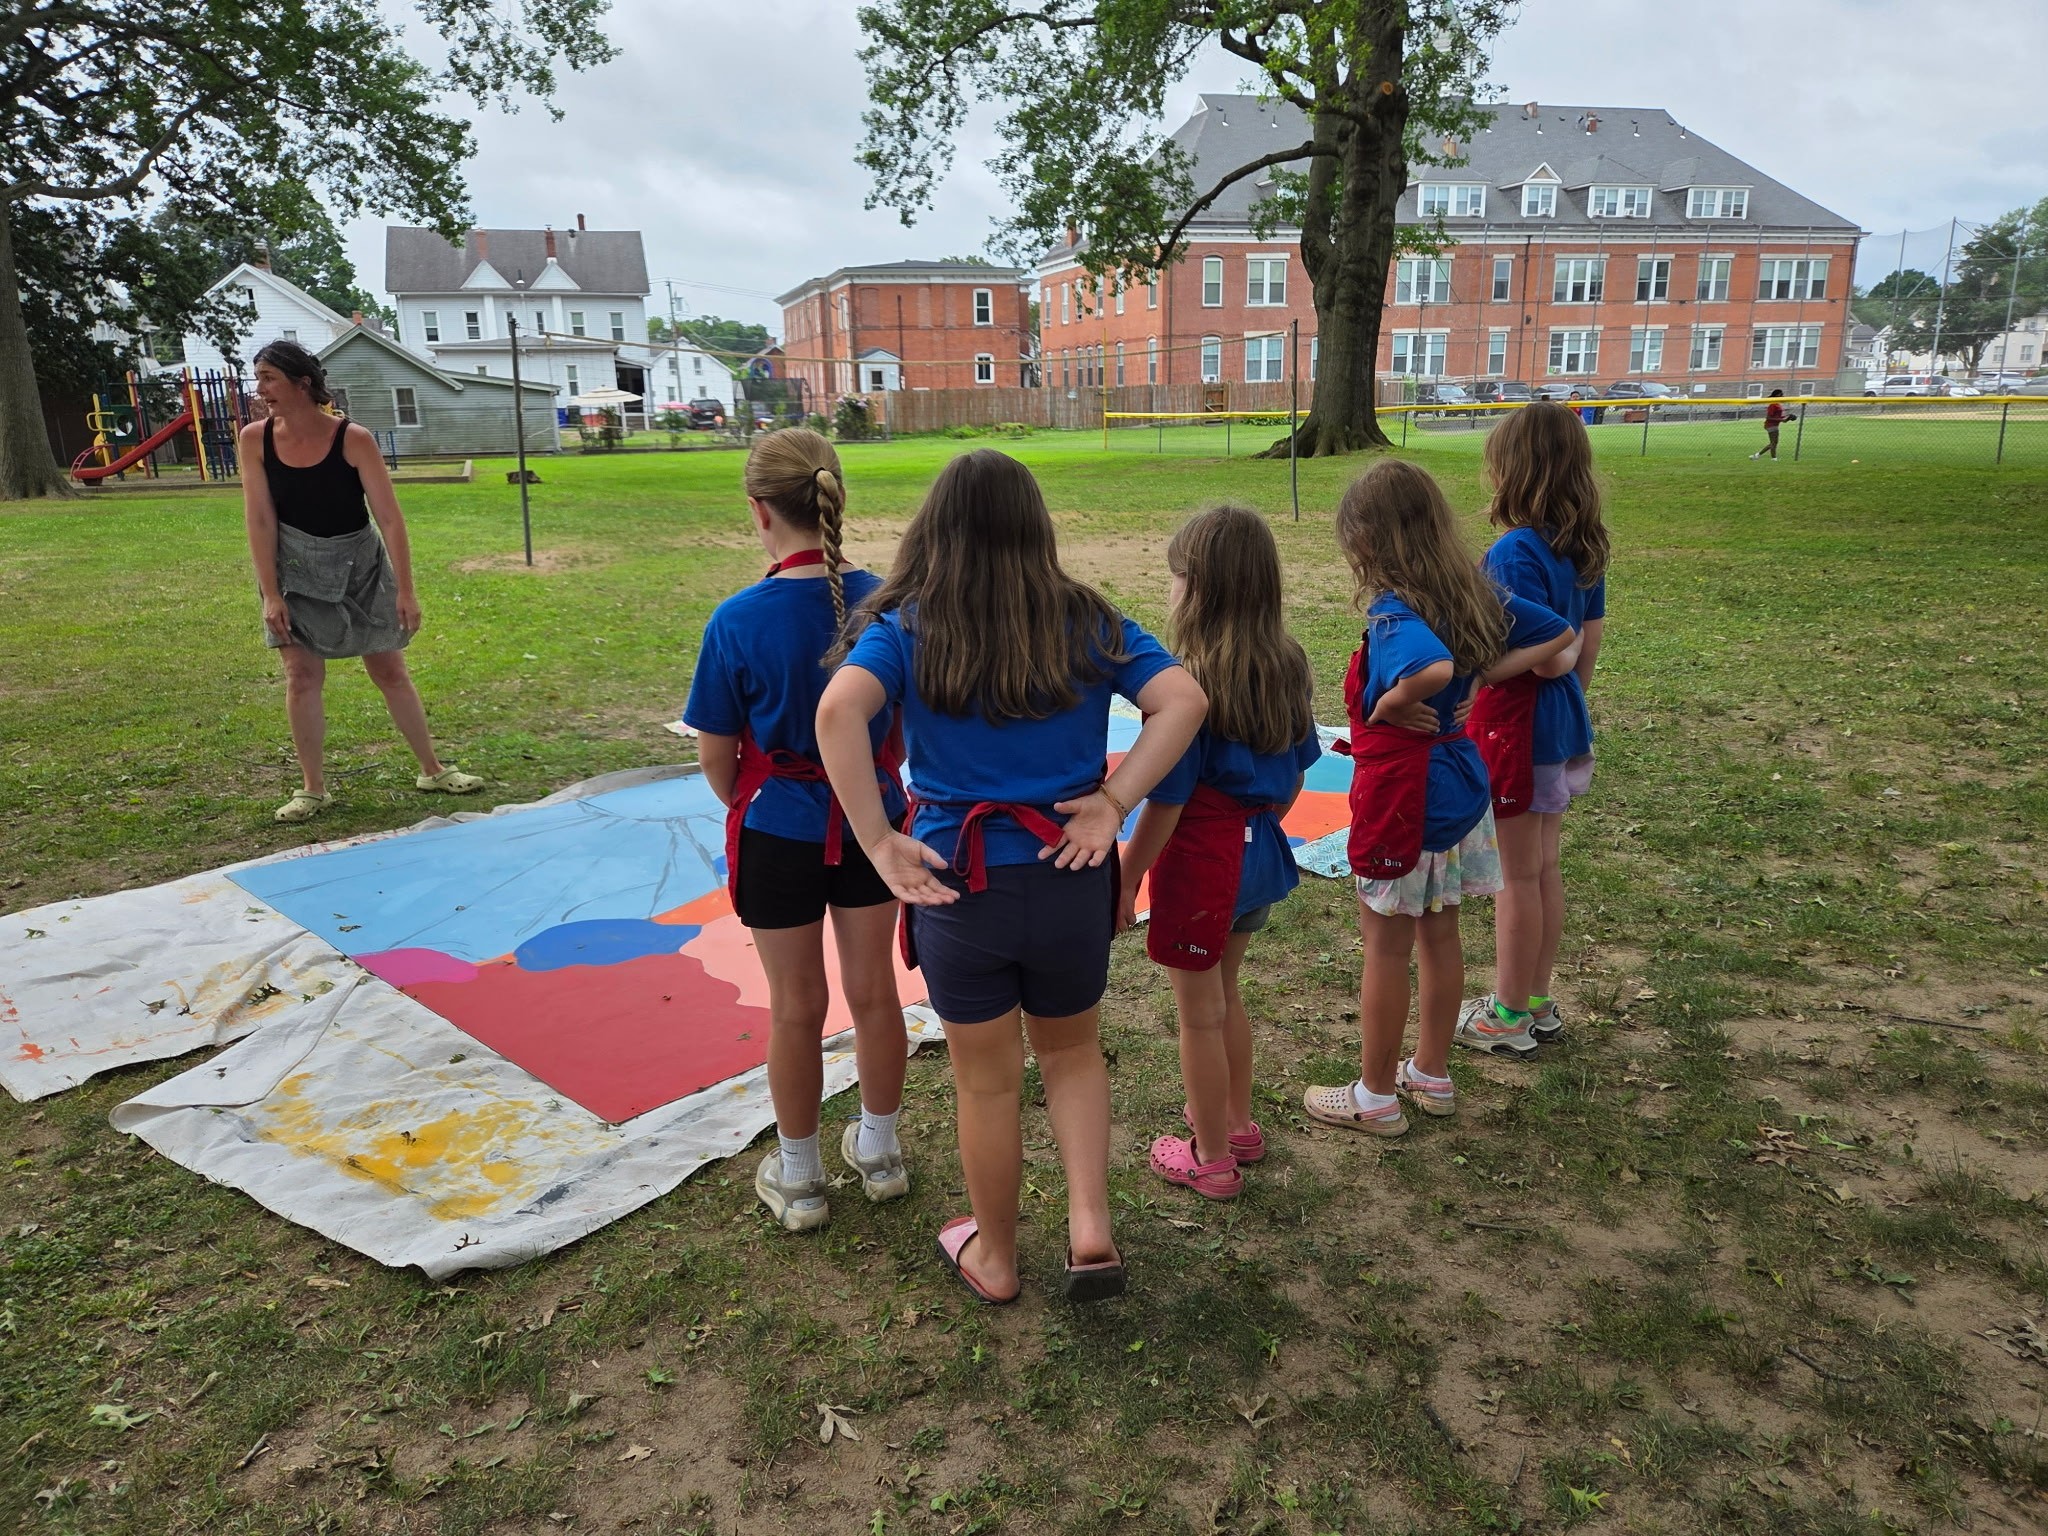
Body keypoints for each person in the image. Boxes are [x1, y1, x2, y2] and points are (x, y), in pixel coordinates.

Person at [815, 450, 1206, 1304]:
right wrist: (1114, 801)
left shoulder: (909, 625)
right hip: (1070, 876)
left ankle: (995, 1257)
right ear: (1037, 528)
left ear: (936, 530)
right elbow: (1183, 699)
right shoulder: (1087, 618)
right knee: (1072, 1054)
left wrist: (878, 841)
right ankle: (1090, 1228)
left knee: (986, 1083)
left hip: (961, 890)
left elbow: (838, 709)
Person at [683, 428, 912, 1233]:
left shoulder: (736, 620)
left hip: (776, 829)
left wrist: (760, 800)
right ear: (835, 495)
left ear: (759, 512)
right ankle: (880, 1153)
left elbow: (717, 757)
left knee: (795, 1006)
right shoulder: (891, 604)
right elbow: (902, 732)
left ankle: (802, 1174)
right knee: (875, 992)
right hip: (873, 822)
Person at [1305, 461, 1571, 1136]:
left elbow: (1433, 666)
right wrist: (1485, 677)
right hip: (1459, 788)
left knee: (1385, 948)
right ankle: (1430, 1073)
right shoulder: (1470, 591)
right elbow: (1557, 633)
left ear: (1366, 540)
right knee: (1441, 934)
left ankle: (1374, 1096)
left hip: (1405, 798)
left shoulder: (1395, 611)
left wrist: (1395, 701)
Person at [1116, 507, 1321, 1200]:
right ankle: (1235, 1123)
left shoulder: (1186, 685)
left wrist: (1126, 879)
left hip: (1204, 867)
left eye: (1175, 576)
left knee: (1199, 1014)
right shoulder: (1289, 664)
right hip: (1260, 857)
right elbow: (1296, 776)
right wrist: (1258, 829)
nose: (1168, 588)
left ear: (1199, 588)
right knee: (1227, 991)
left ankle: (1209, 1158)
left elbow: (1165, 804)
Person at [240, 341, 481, 823]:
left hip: (360, 565)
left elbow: (389, 518)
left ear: (302, 383)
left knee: (390, 670)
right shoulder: (255, 439)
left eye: (269, 378)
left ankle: (432, 769)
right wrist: (270, 594)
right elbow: (260, 520)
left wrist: (406, 590)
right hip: (294, 570)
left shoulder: (353, 438)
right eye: (259, 378)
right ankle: (313, 789)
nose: (260, 389)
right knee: (301, 675)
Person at [1458, 403, 1609, 1054]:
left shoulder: (1514, 552)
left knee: (1518, 876)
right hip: (1558, 728)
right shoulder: (1585, 546)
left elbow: (1551, 654)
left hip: (1519, 733)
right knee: (1543, 868)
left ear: (1513, 472)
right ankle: (1536, 1000)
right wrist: (1568, 702)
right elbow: (1587, 645)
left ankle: (1510, 1013)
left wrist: (1488, 678)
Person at [1751, 389, 1791, 460]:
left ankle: (1772, 458)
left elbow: (1777, 416)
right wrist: (1782, 420)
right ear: (1777, 395)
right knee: (1773, 443)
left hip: (1774, 425)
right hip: (1771, 425)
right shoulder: (1773, 405)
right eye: (1781, 394)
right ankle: (1758, 455)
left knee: (1774, 443)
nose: (1782, 396)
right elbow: (1769, 417)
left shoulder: (1777, 404)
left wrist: (1787, 417)